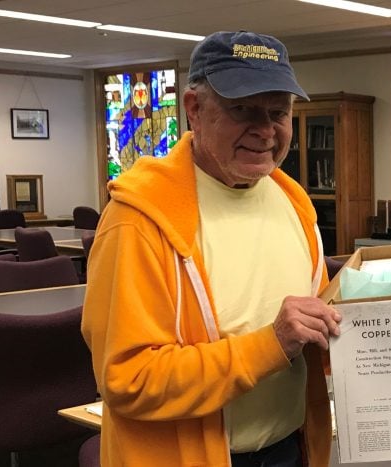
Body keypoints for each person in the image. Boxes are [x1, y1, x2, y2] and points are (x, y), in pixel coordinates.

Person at [82, 30, 342, 467]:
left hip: (291, 450)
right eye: (243, 109)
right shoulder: (138, 220)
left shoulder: (294, 202)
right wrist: (271, 344)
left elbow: (315, 331)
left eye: (277, 112)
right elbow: (129, 379)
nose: (264, 130)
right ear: (194, 110)